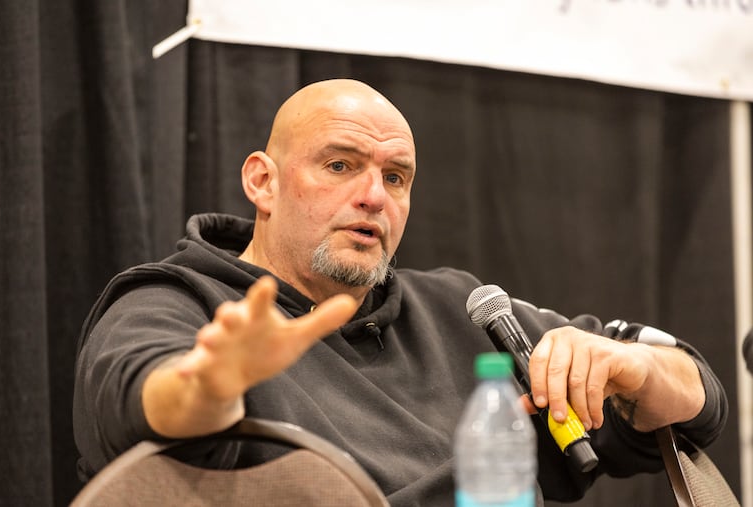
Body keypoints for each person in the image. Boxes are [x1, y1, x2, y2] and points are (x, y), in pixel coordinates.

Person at [73, 78, 727, 505]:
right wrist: (209, 387)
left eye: (396, 177)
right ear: (262, 182)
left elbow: (699, 402)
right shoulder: (176, 302)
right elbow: (135, 406)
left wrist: (641, 367)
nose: (372, 196)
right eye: (340, 166)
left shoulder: (465, 312)